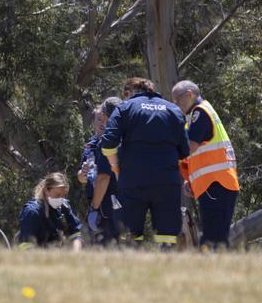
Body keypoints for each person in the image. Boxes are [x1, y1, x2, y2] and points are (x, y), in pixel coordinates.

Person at [100, 77, 189, 248]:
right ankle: (166, 268)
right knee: (168, 235)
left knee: (131, 235)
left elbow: (108, 142)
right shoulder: (174, 110)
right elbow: (184, 151)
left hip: (133, 180)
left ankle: (132, 271)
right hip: (167, 181)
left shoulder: (125, 108)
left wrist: (116, 168)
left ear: (128, 93)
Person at [172, 80, 239, 250]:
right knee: (216, 236)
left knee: (212, 237)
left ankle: (214, 271)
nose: (176, 104)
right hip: (215, 184)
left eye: (177, 100)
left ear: (189, 94)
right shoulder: (198, 114)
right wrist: (190, 181)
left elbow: (190, 146)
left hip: (215, 183)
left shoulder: (199, 113)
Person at [78, 96, 122, 244]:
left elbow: (105, 177)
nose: (102, 123)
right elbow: (81, 178)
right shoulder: (90, 145)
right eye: (98, 119)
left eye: (104, 119)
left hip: (111, 199)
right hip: (94, 199)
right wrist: (83, 174)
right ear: (92, 123)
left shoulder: (113, 141)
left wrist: (95, 208)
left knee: (111, 241)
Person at [17, 172, 82, 249]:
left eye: (63, 195)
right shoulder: (32, 212)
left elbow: (76, 234)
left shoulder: (64, 208)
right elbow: (26, 247)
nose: (61, 199)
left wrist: (76, 254)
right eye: (57, 195)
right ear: (46, 191)